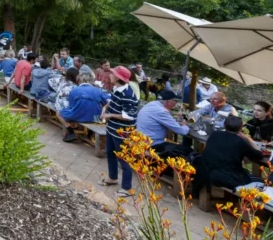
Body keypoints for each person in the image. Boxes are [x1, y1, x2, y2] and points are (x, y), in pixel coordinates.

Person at [100, 66, 139, 196]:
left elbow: (129, 116)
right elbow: (112, 101)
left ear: (118, 78)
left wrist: (110, 116)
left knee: (123, 158)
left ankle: (127, 188)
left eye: (112, 74)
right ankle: (112, 178)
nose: (110, 75)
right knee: (110, 153)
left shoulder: (128, 95)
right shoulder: (117, 89)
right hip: (112, 129)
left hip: (122, 132)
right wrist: (105, 108)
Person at [199, 115, 266, 190]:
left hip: (208, 172)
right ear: (240, 128)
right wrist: (248, 138)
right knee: (261, 180)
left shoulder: (214, 134)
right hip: (230, 177)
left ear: (224, 125)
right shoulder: (240, 142)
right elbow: (259, 155)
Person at [136, 90, 191, 158]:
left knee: (180, 148)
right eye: (175, 100)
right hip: (152, 144)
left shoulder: (152, 104)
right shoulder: (161, 111)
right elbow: (183, 131)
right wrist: (185, 125)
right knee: (187, 151)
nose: (176, 103)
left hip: (142, 140)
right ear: (168, 101)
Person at [58, 73, 107, 142]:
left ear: (79, 80)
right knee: (98, 109)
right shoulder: (98, 90)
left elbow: (72, 106)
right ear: (91, 80)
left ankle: (71, 132)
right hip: (96, 118)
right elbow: (106, 103)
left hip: (79, 117)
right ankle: (90, 134)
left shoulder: (75, 90)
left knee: (59, 113)